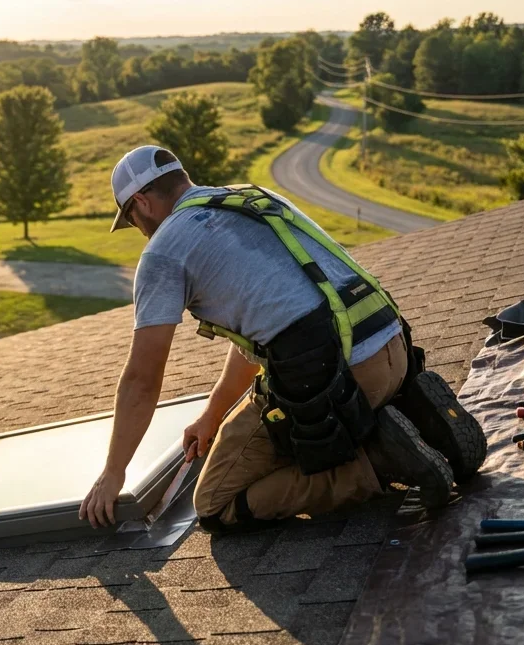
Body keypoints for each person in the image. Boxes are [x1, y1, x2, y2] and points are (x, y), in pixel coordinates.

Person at [79, 146, 483, 532]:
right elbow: (271, 327)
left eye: (131, 220)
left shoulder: (164, 252)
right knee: (271, 421)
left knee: (217, 503)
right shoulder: (251, 198)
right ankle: (415, 417)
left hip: (340, 376)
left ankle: (378, 460)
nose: (139, 231)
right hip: (392, 346)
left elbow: (141, 380)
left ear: (143, 203)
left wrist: (114, 474)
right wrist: (211, 415)